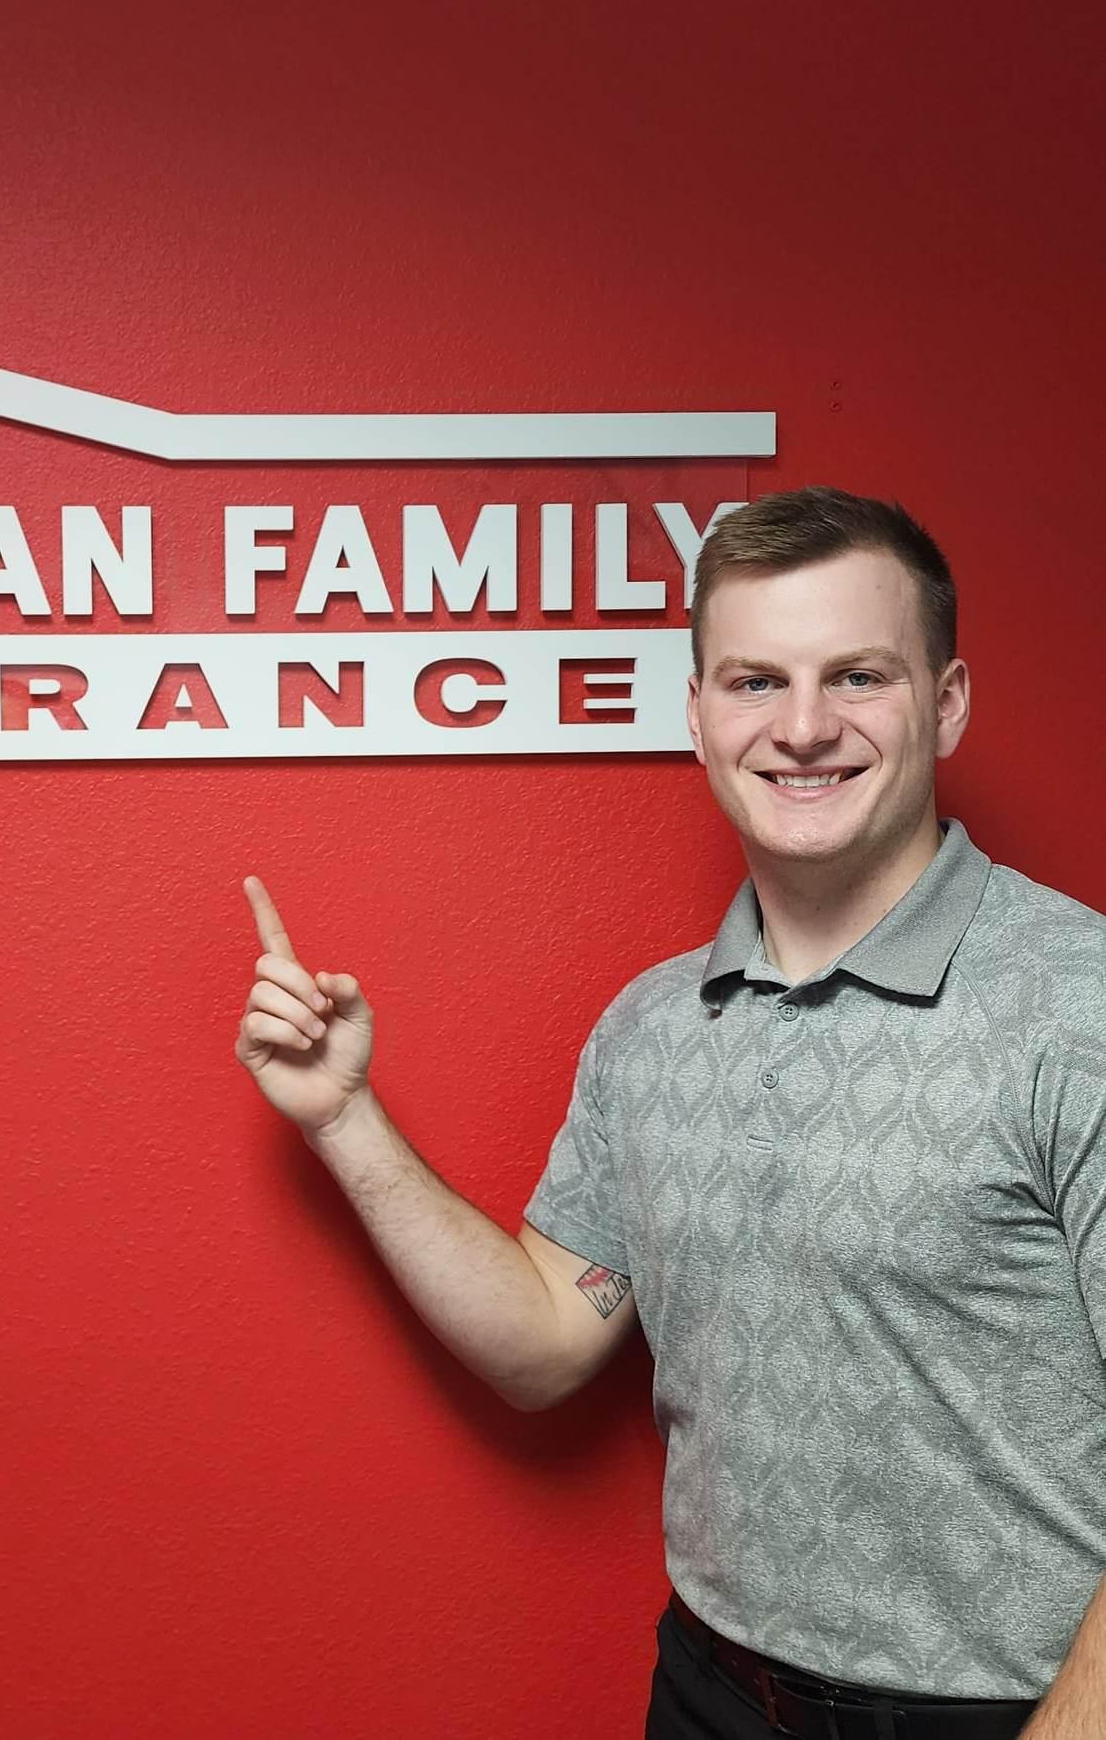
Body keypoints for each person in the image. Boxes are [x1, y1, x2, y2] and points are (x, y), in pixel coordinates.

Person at [234, 486, 1106, 1739]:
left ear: (948, 701)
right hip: (707, 1696)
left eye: (856, 676)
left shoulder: (1078, 1005)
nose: (803, 728)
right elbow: (547, 1335)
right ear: (696, 715)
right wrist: (344, 1120)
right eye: (754, 683)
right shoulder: (650, 1027)